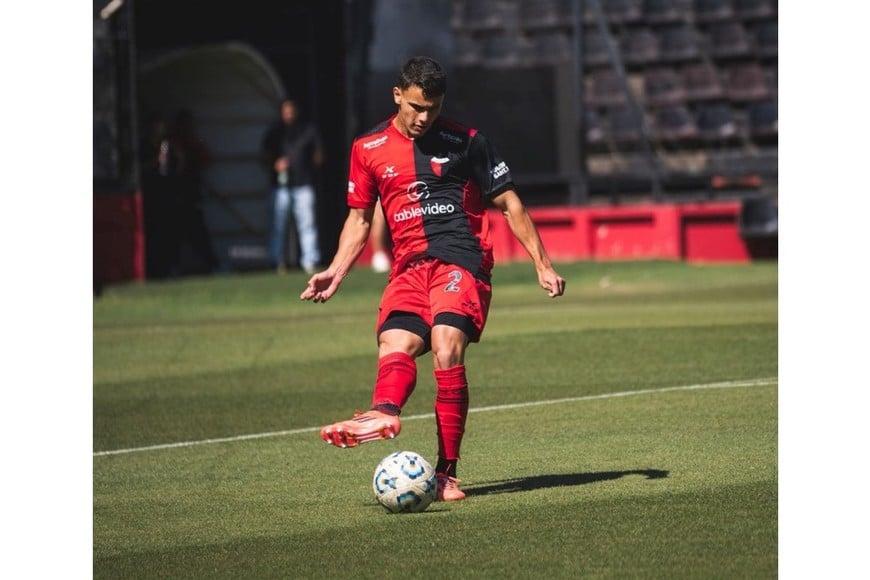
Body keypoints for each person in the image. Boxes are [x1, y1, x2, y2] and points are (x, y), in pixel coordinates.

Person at [300, 56, 566, 502]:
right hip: (409, 267)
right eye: (417, 107)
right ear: (397, 94)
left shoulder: (469, 141)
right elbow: (360, 220)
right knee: (395, 343)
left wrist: (542, 263)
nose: (425, 118)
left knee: (445, 343)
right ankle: (381, 413)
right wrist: (336, 270)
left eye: (434, 108)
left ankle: (447, 474)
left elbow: (511, 205)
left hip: (461, 259)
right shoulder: (367, 148)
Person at [261, 98, 325, 274]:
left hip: (303, 184)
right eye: (285, 111)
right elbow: (264, 156)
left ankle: (309, 260)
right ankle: (275, 260)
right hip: (280, 187)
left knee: (307, 225)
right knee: (278, 225)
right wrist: (275, 164)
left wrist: (308, 165)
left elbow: (318, 155)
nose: (289, 114)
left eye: (291, 110)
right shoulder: (274, 133)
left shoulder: (308, 130)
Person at [168, 108, 220, 276]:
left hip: (192, 194)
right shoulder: (174, 144)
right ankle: (172, 267)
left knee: (198, 233)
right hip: (177, 195)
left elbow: (207, 159)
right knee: (176, 234)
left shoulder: (193, 143)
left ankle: (212, 264)